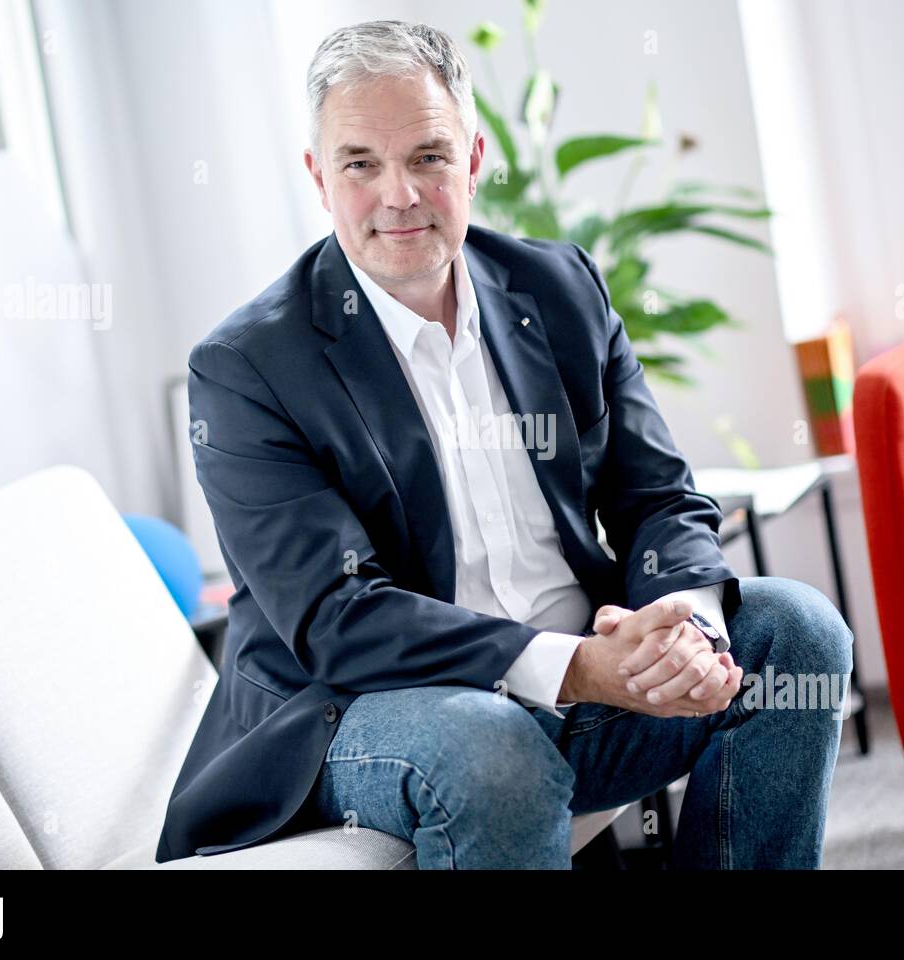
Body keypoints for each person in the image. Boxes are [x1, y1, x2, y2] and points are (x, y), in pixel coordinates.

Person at [155, 19, 853, 869]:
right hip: (364, 708)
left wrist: (690, 634)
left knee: (798, 634)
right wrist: (582, 669)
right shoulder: (248, 368)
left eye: (429, 156)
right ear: (318, 176)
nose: (399, 195)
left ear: (475, 159)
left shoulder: (557, 288)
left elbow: (657, 498)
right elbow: (339, 620)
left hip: (589, 672)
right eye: (361, 164)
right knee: (493, 747)